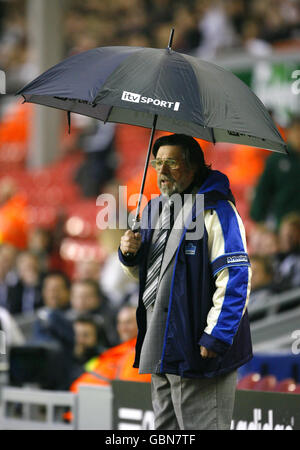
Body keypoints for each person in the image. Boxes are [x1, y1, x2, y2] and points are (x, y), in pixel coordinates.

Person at [119, 133, 252, 430]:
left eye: (172, 164)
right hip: (159, 340)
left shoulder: (217, 209)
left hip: (199, 347)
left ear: (194, 167)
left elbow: (235, 278)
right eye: (158, 163)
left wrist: (216, 335)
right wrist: (131, 255)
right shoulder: (154, 208)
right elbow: (150, 276)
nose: (162, 172)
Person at [250, 115, 300, 230]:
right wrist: (259, 219)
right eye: (296, 131)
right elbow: (263, 190)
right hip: (282, 222)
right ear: (289, 133)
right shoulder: (277, 159)